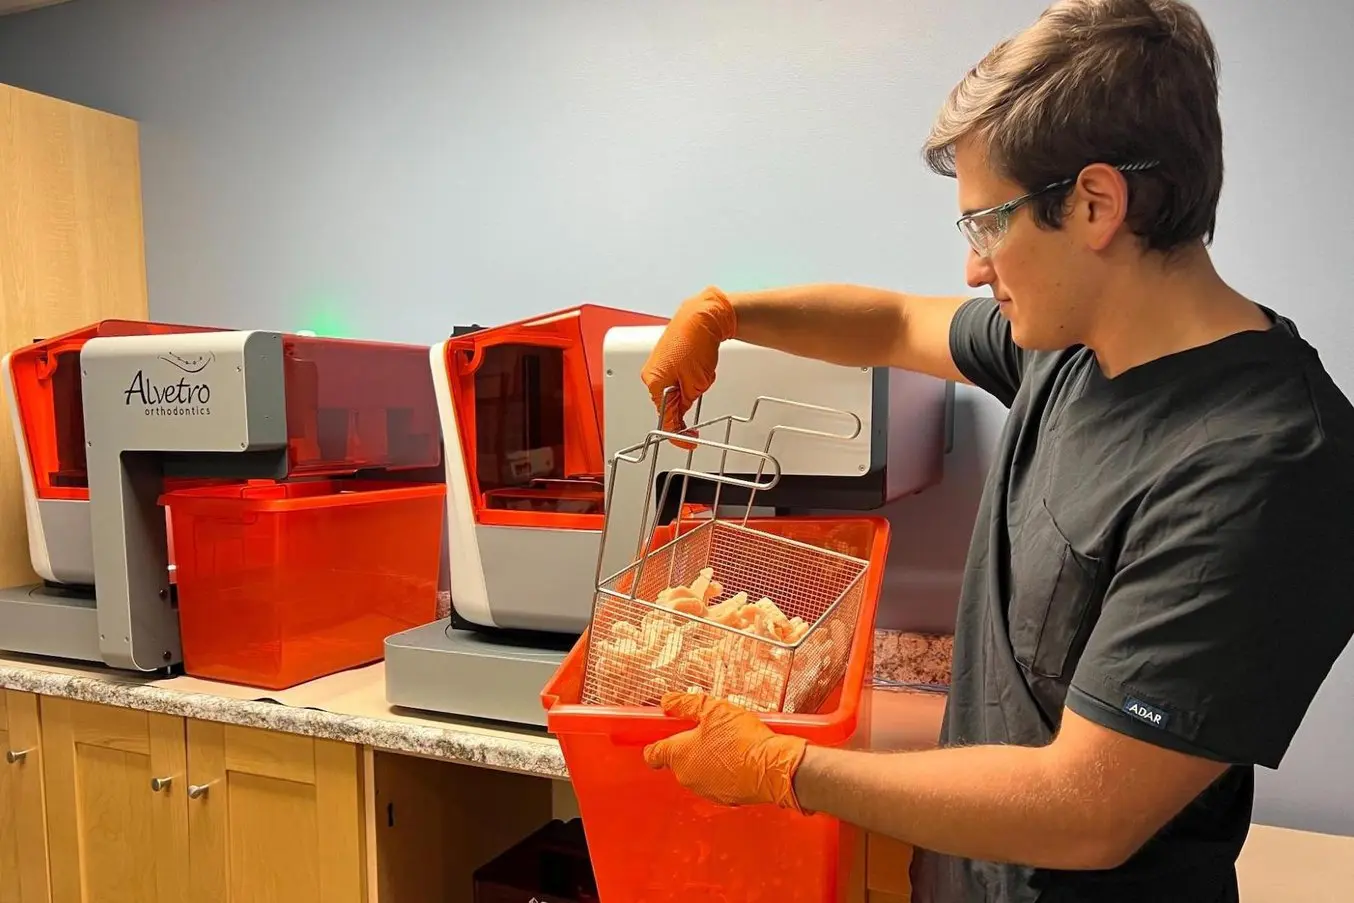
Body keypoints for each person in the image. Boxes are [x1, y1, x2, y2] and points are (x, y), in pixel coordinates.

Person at [635, 1, 1354, 901]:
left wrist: (785, 769)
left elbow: (1084, 808)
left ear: (1096, 204)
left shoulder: (1265, 466)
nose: (975, 268)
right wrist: (729, 311)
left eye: (988, 223)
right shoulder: (1070, 348)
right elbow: (895, 321)